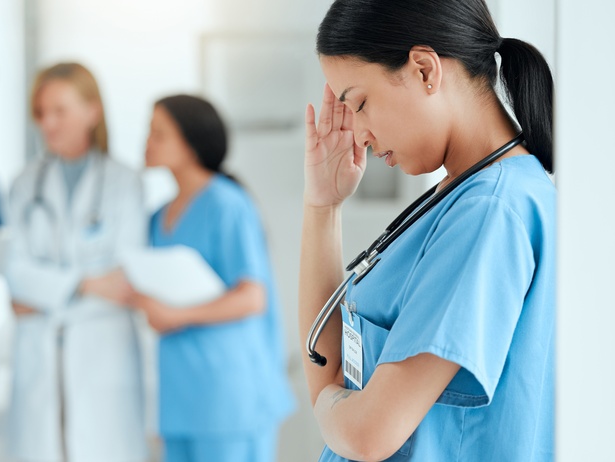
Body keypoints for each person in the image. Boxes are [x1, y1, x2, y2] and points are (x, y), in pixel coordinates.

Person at [299, 0, 556, 461]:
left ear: (423, 70)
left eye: (359, 103)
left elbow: (368, 434)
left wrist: (327, 406)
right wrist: (323, 206)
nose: (358, 134)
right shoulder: (461, 196)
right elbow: (327, 367)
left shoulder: (489, 212)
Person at [128, 94, 295, 462]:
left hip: (229, 392)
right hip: (180, 396)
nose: (147, 142)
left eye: (159, 133)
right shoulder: (157, 218)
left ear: (189, 143)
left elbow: (253, 297)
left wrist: (177, 316)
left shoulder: (227, 204)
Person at [5, 62, 149, 462]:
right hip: (41, 356)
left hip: (102, 352)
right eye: (40, 113)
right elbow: (15, 277)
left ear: (92, 111)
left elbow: (124, 279)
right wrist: (87, 285)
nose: (47, 123)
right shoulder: (23, 185)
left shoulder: (125, 184)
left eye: (59, 110)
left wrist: (45, 292)